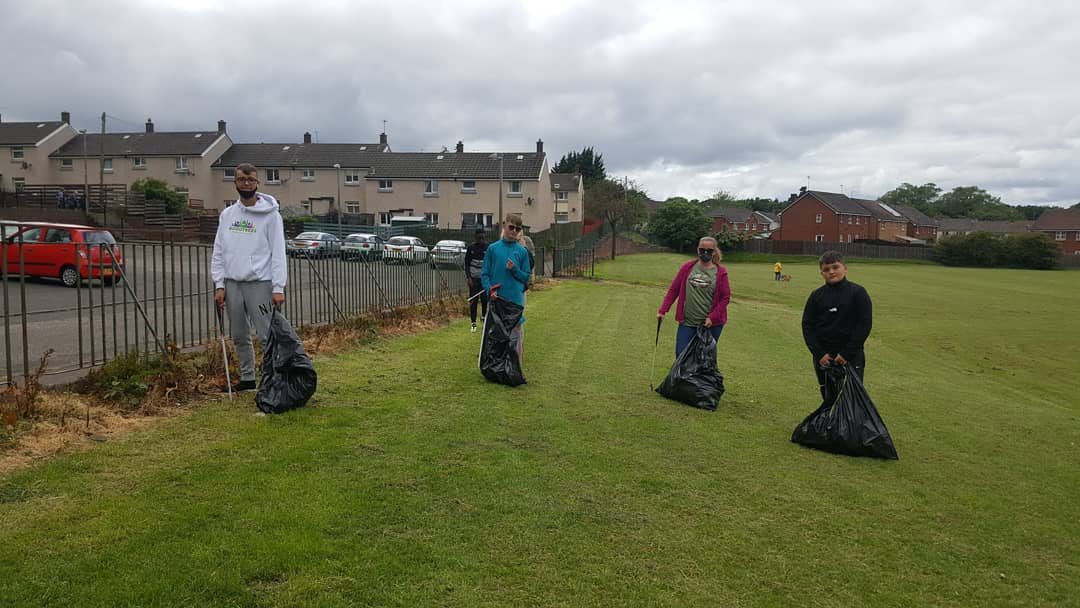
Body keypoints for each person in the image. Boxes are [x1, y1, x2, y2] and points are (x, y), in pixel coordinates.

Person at [211, 163, 287, 393]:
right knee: (240, 335)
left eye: (250, 180)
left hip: (260, 284)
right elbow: (219, 251)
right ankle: (247, 378)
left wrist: (278, 286)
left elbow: (278, 251)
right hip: (233, 284)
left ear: (257, 183)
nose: (246, 184)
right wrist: (219, 284)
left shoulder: (271, 216)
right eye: (242, 180)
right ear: (235, 183)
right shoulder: (227, 215)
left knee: (266, 335)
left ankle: (271, 377)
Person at [801, 250, 873, 402]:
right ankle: (830, 424)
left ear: (845, 268)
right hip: (824, 357)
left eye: (835, 267)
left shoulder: (858, 293)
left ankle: (850, 426)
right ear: (821, 273)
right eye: (826, 269)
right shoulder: (816, 296)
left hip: (851, 356)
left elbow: (864, 324)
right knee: (828, 396)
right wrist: (819, 354)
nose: (831, 272)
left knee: (851, 398)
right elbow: (808, 326)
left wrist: (847, 353)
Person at [657, 236, 732, 357]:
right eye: (702, 250)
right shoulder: (687, 268)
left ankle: (698, 377)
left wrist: (712, 317)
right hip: (688, 321)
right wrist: (662, 311)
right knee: (681, 354)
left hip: (711, 324)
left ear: (714, 252)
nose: (705, 253)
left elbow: (725, 298)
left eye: (709, 251)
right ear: (698, 250)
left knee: (704, 358)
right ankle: (682, 377)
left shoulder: (720, 272)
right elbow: (673, 290)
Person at [481, 213, 532, 358]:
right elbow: (485, 274)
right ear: (504, 226)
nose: (514, 231)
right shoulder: (493, 249)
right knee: (497, 335)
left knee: (516, 336)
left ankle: (516, 370)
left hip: (514, 301)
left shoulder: (522, 251)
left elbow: (525, 276)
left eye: (518, 229)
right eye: (511, 227)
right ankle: (496, 368)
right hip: (497, 298)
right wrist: (489, 290)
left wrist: (515, 269)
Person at [464, 226, 489, 333]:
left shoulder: (488, 248)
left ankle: (483, 318)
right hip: (473, 280)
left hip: (484, 279)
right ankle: (473, 323)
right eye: (479, 238)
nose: (481, 240)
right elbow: (467, 263)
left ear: (485, 237)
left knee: (484, 300)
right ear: (475, 237)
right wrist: (468, 277)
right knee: (473, 301)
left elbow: (491, 264)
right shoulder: (471, 248)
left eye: (482, 238)